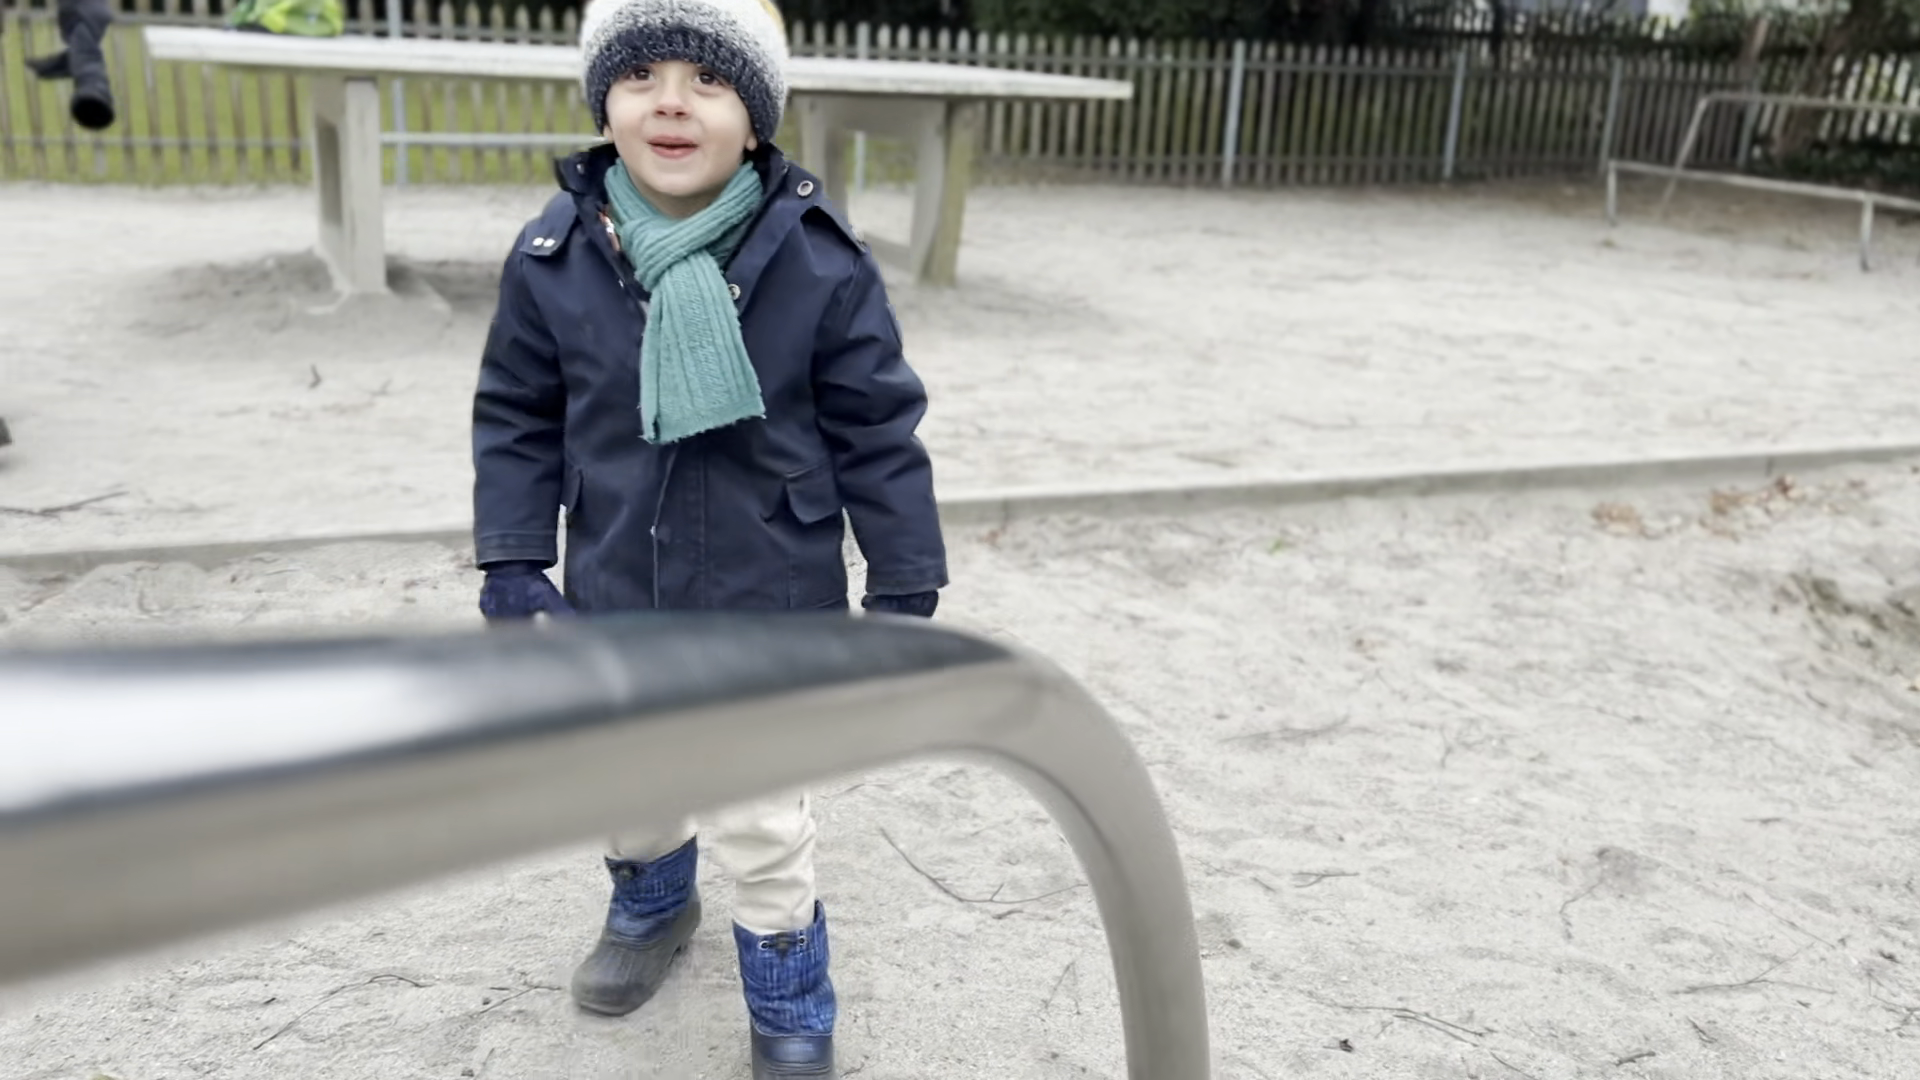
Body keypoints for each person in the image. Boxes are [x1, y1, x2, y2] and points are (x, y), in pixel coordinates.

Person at [467, 0, 947, 1075]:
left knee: (762, 812)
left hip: (769, 589)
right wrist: (512, 554)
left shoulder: (818, 260)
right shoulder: (554, 256)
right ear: (605, 105)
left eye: (709, 80)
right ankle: (651, 905)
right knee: (628, 778)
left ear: (757, 116)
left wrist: (904, 581)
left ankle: (788, 992)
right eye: (640, 76)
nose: (671, 103)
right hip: (615, 578)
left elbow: (878, 425)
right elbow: (517, 413)